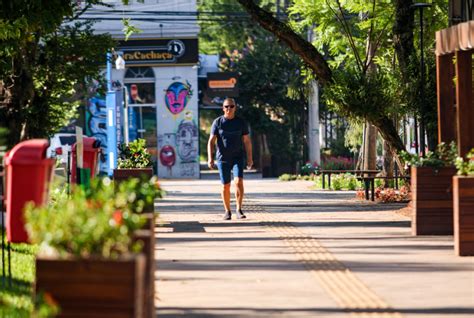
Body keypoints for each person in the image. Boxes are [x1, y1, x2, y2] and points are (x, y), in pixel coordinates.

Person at [207, 98, 253, 220]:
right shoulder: (218, 122)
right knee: (225, 185)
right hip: (223, 158)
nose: (229, 109)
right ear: (223, 108)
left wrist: (250, 158)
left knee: (238, 182)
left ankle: (239, 209)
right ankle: (227, 211)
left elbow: (247, 141)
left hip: (238, 157)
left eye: (231, 106)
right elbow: (211, 141)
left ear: (235, 108)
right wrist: (210, 158)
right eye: (226, 106)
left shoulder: (241, 122)